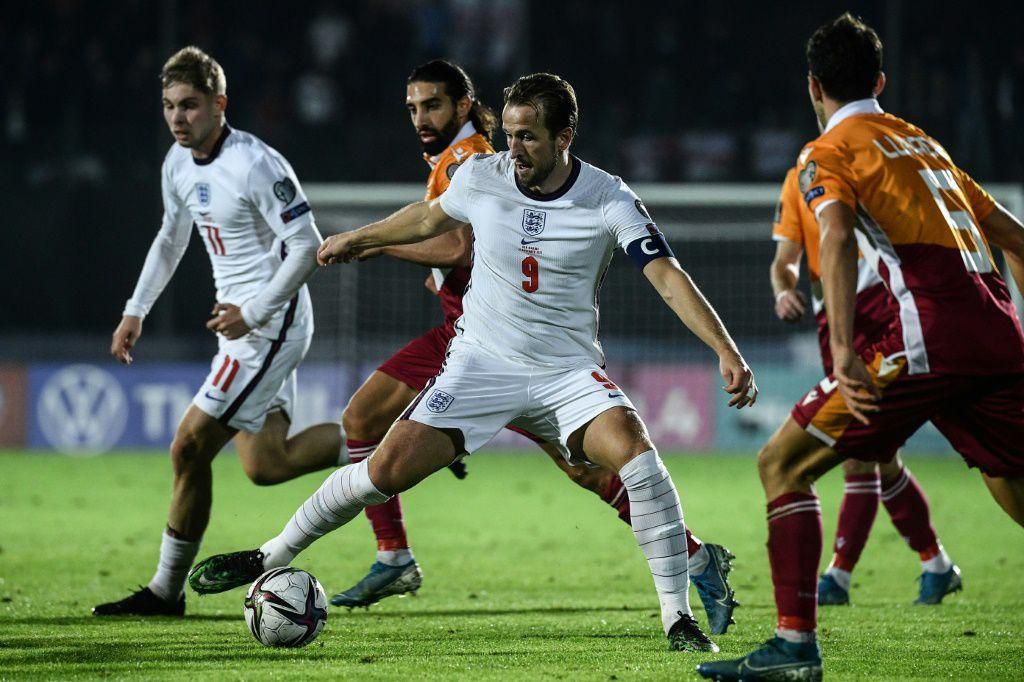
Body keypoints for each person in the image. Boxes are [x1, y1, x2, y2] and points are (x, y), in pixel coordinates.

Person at [188, 72, 757, 653]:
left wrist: (725, 349)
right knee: (383, 472)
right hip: (480, 365)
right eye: (509, 134)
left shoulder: (609, 198)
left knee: (634, 453)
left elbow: (667, 276)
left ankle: (676, 619)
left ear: (566, 136)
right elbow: (429, 217)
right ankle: (271, 554)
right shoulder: (484, 176)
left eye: (529, 137)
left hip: (565, 372)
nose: (514, 149)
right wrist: (359, 238)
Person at [332, 60, 738, 635]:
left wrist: (371, 245)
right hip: (484, 338)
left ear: (464, 105)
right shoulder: (460, 160)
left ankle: (394, 554)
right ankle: (695, 557)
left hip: (483, 339)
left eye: (433, 106)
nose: (421, 118)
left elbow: (448, 243)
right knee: (583, 471)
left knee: (361, 417)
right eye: (413, 108)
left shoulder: (470, 161)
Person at [699, 14, 1024, 680]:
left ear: (811, 86)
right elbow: (1017, 238)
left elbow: (839, 240)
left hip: (926, 334)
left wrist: (845, 351)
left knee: (782, 465)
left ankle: (793, 647)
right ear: (881, 80)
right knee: (1011, 479)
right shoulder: (924, 144)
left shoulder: (827, 153)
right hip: (997, 332)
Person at [92, 46, 346, 617]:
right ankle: (383, 442)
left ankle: (164, 592)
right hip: (240, 326)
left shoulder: (257, 164)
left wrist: (253, 312)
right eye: (168, 106)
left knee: (188, 446)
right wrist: (135, 310)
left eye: (189, 105)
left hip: (269, 324)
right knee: (266, 465)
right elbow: (170, 238)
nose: (178, 117)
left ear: (219, 104)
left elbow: (308, 247)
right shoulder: (177, 164)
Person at [770, 165, 960, 606]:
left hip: (881, 305)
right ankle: (935, 563)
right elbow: (784, 262)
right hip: (831, 317)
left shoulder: (867, 165)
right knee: (878, 455)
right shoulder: (800, 176)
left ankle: (837, 578)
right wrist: (783, 291)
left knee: (859, 452)